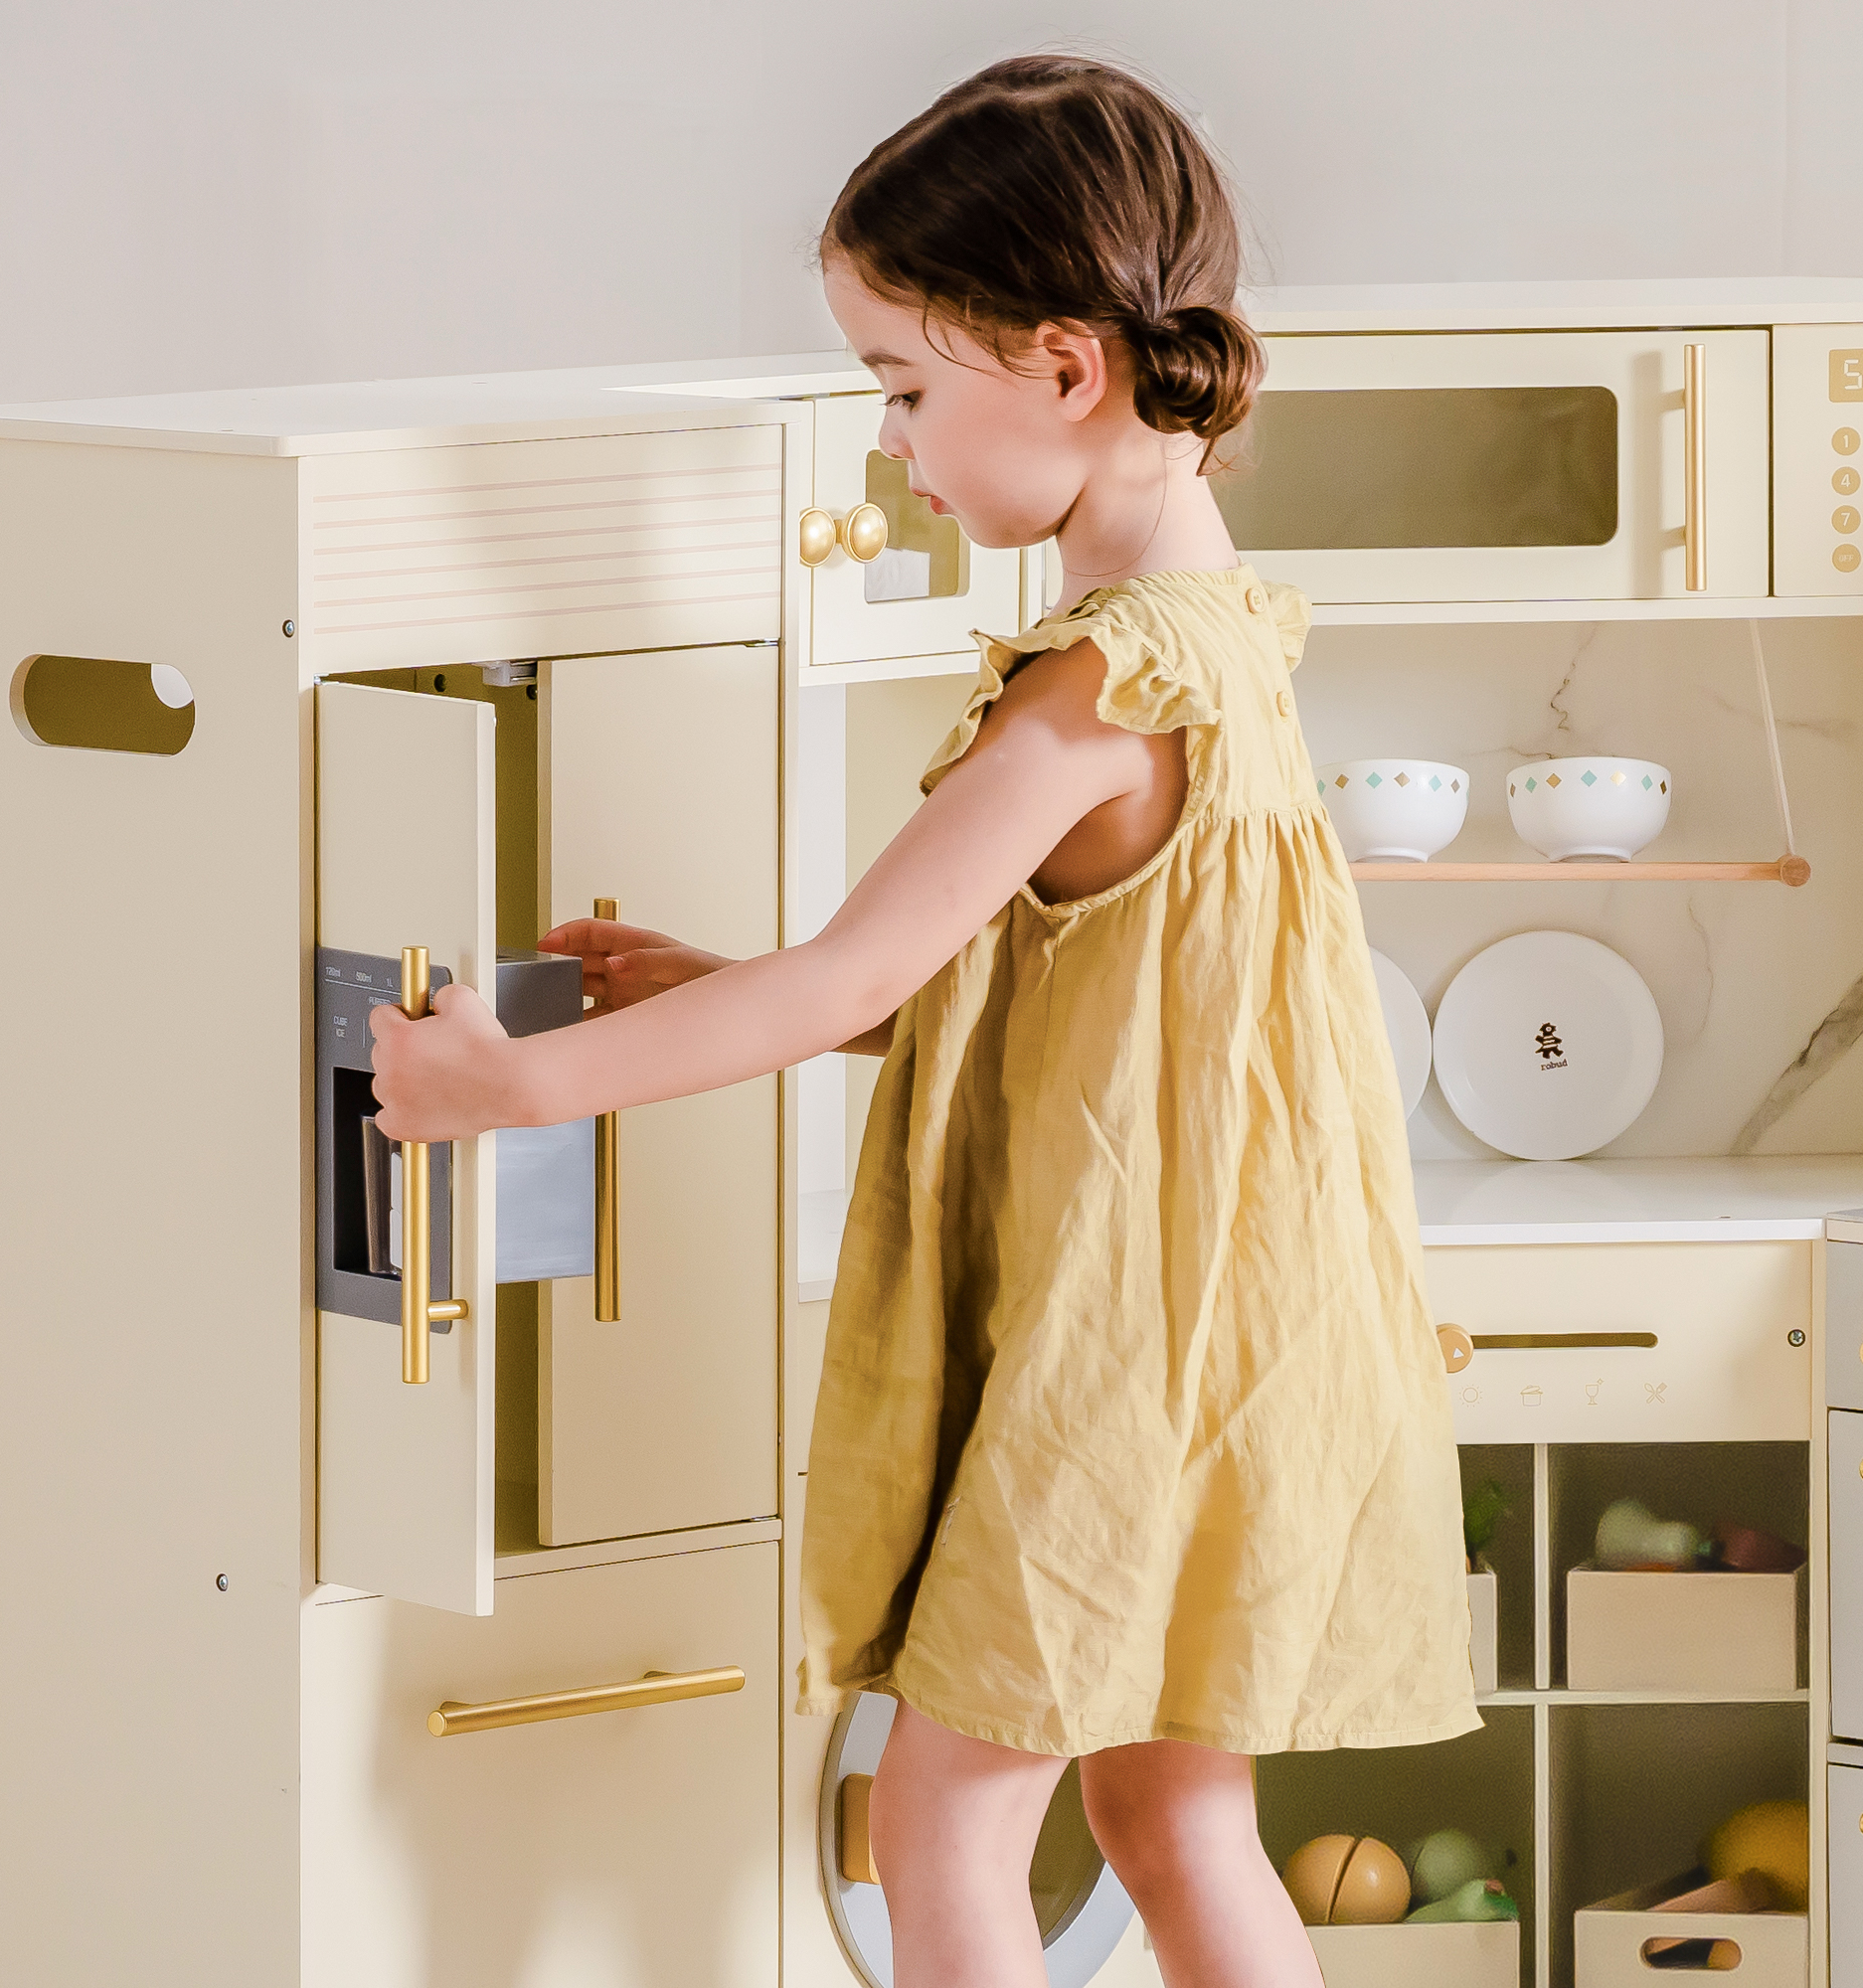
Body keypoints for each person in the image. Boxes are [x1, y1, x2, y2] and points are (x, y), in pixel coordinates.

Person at [371, 54, 1477, 1988]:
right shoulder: (1224, 641)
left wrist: (503, 1084)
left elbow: (857, 976)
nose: (888, 444)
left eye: (899, 384)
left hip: (1122, 1353)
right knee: (1169, 1817)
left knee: (941, 1814)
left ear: (1062, 367)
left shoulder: (1097, 686)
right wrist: (725, 985)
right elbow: (1092, 1001)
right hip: (1232, 1326)